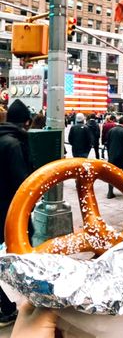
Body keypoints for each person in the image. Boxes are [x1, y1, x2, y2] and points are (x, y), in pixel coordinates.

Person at [0, 99, 33, 327]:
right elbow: (23, 184)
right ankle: (8, 308)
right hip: (10, 212)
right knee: (12, 258)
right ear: (27, 122)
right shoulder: (13, 144)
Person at [106, 116, 123, 199]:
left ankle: (110, 192)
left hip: (111, 155)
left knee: (111, 174)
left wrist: (109, 153)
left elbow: (107, 143)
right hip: (121, 156)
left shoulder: (111, 130)